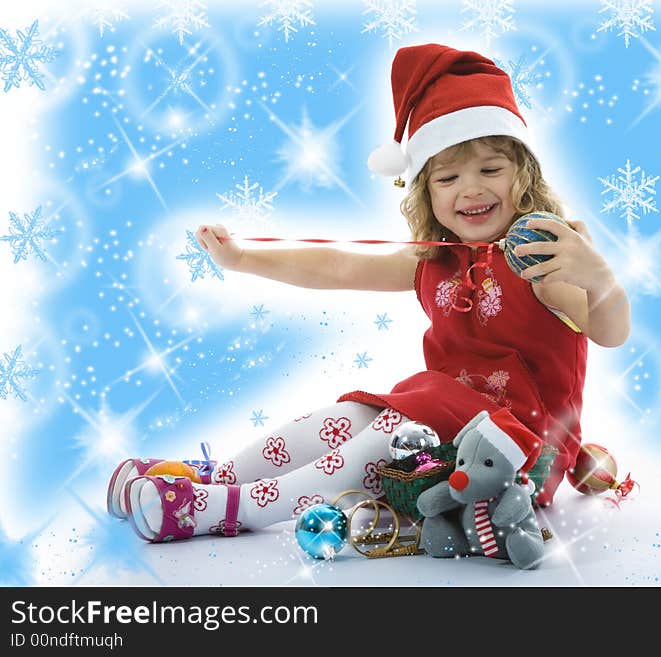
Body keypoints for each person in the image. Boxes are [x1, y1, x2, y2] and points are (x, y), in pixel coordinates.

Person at [107, 43, 630, 543]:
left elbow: (610, 332)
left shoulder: (543, 258)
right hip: (432, 420)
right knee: (350, 418)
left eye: (491, 169)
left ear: (524, 176)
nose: (470, 189)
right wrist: (243, 259)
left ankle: (225, 510)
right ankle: (210, 479)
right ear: (425, 191)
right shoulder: (437, 260)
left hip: (512, 455)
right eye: (448, 177)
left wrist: (598, 277)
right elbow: (336, 267)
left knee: (384, 437)